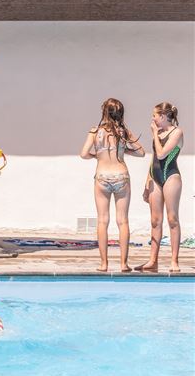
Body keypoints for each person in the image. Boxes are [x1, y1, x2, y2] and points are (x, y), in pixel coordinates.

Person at [79, 98, 145, 272]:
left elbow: (83, 154)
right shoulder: (123, 131)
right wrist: (124, 151)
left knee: (102, 220)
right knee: (122, 221)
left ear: (104, 112)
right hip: (121, 176)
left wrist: (96, 156)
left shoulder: (95, 131)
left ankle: (104, 264)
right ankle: (124, 264)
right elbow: (141, 152)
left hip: (102, 176)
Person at [136, 102, 184, 273]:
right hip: (155, 178)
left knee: (172, 219)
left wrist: (155, 134)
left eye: (155, 115)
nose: (153, 118)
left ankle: (174, 261)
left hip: (171, 177)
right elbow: (154, 158)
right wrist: (146, 183)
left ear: (163, 116)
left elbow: (163, 154)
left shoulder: (176, 132)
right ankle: (152, 261)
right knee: (155, 221)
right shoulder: (159, 133)